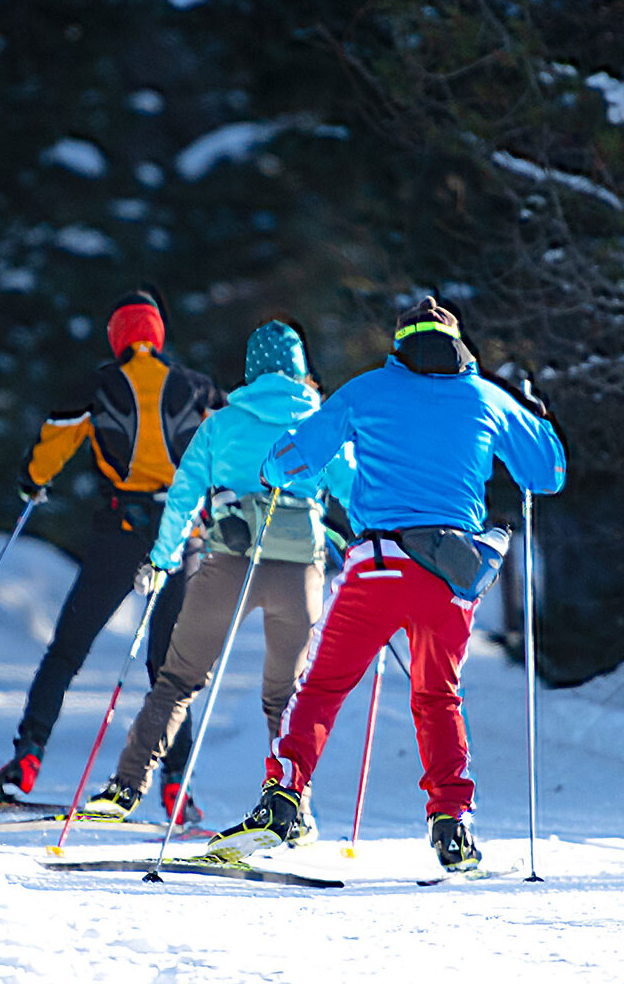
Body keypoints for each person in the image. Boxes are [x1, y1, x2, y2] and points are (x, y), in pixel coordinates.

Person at [205, 296, 566, 872]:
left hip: (378, 567)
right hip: (449, 575)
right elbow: (547, 473)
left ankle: (284, 799)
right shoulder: (487, 399)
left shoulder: (367, 390)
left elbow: (290, 461)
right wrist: (535, 416)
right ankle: (452, 821)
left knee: (321, 689)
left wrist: (274, 467)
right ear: (458, 344)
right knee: (438, 696)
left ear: (400, 344)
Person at [79, 319, 352, 831]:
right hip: (299, 571)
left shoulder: (222, 423)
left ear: (251, 370)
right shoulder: (323, 423)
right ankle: (293, 808)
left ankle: (125, 788)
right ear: (302, 370)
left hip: (228, 563)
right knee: (285, 697)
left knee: (178, 679)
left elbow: (183, 497)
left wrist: (163, 559)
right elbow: (354, 491)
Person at [0, 288, 225, 816]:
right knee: (168, 668)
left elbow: (54, 443)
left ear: (118, 337)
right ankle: (177, 784)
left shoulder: (98, 384)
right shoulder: (198, 387)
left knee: (68, 649)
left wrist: (31, 481)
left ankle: (28, 756)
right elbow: (225, 450)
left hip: (121, 530)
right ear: (156, 336)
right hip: (183, 537)